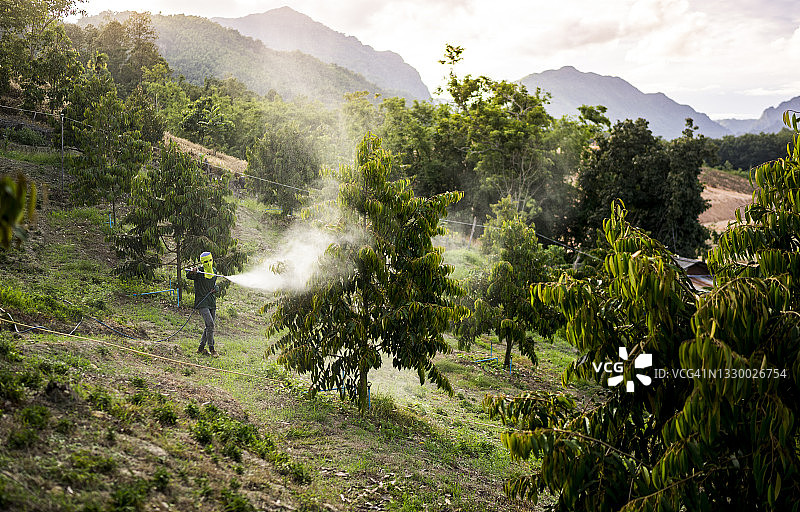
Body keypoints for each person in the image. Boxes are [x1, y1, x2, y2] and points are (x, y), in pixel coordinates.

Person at [186, 251, 220, 356]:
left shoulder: (214, 271)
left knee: (209, 327)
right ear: (202, 262)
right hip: (202, 303)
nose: (209, 263)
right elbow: (189, 276)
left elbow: (215, 285)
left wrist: (216, 289)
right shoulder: (199, 272)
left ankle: (200, 348)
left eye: (210, 260)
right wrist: (192, 272)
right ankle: (212, 348)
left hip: (211, 302)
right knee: (210, 324)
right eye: (206, 261)